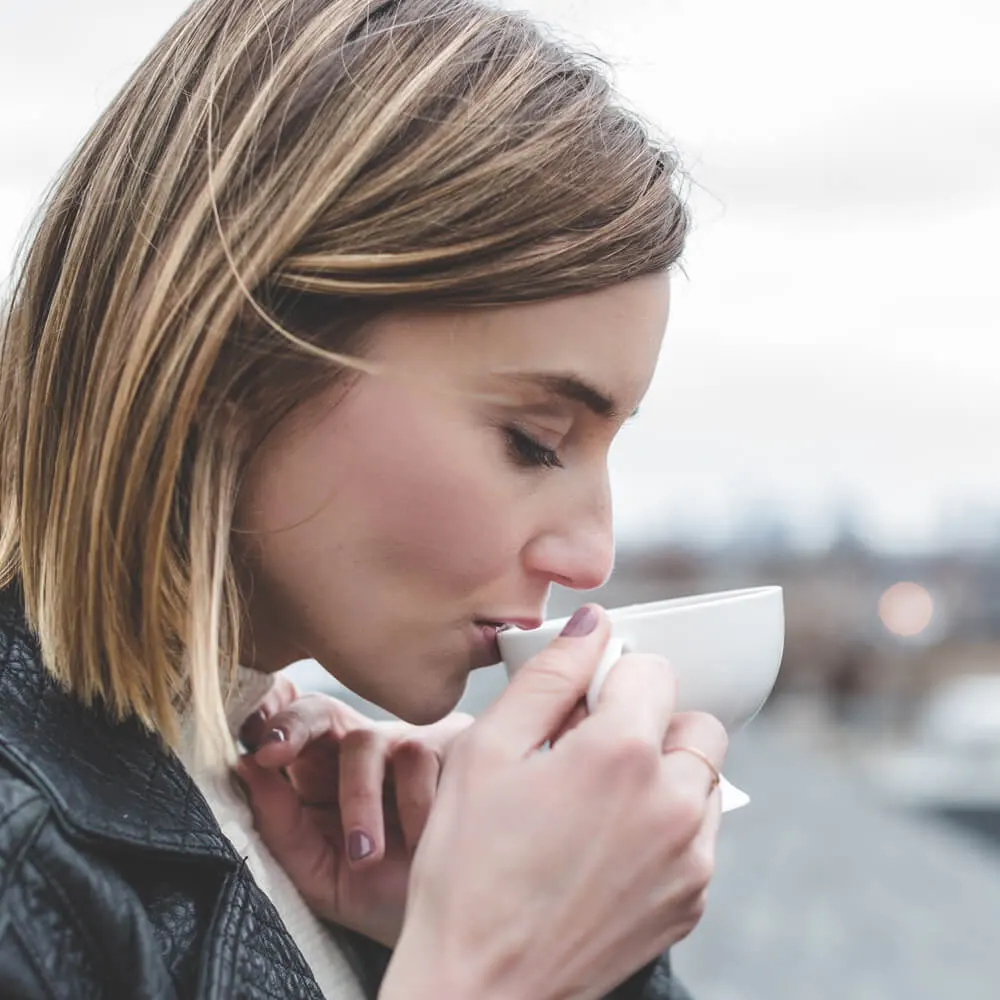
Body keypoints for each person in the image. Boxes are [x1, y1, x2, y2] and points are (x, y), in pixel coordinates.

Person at [0, 1, 728, 997]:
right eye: (536, 441)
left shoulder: (278, 809)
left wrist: (511, 934)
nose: (590, 554)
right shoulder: (24, 876)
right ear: (234, 359)